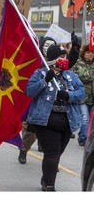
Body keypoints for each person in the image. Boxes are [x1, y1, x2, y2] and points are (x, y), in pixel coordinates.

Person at [26, 44, 84, 191]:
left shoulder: (71, 76)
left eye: (65, 56)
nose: (64, 59)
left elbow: (82, 93)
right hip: (46, 120)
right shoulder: (40, 73)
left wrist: (69, 95)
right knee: (52, 153)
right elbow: (30, 91)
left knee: (57, 153)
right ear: (52, 59)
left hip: (67, 121)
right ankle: (50, 185)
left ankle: (46, 177)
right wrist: (45, 80)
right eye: (61, 56)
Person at [18, 34, 80, 164]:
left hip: (54, 103)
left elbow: (69, 62)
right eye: (46, 45)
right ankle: (24, 149)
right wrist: (44, 78)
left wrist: (75, 48)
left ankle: (50, 157)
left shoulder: (58, 58)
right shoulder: (37, 59)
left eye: (52, 44)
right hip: (38, 98)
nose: (49, 47)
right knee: (30, 130)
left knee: (50, 142)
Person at [71, 44, 94, 146]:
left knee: (91, 119)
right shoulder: (78, 64)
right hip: (82, 97)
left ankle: (85, 135)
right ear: (84, 53)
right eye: (88, 52)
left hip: (92, 97)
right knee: (84, 117)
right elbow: (83, 76)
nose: (90, 55)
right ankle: (83, 139)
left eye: (92, 53)